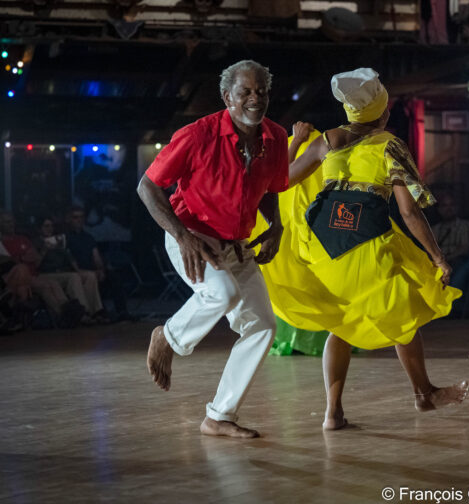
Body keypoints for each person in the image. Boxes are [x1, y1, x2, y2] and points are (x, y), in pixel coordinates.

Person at [281, 68, 468, 430]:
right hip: (364, 242)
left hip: (322, 248)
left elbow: (282, 180)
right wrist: (438, 256)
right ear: (382, 111)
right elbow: (409, 211)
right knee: (404, 312)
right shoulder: (389, 145)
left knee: (343, 321)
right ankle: (423, 394)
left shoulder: (327, 140)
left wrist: (295, 140)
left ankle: (333, 413)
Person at [137, 60, 288, 438]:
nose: (255, 99)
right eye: (245, 92)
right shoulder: (197, 135)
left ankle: (219, 416)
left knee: (263, 326)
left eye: (262, 92)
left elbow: (270, 190)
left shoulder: (276, 137)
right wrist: (182, 236)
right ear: (227, 97)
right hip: (191, 234)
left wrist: (277, 226)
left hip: (236, 242)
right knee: (221, 294)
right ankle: (167, 337)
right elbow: (147, 187)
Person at [249, 123, 330, 356]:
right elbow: (279, 179)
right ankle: (308, 339)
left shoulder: (318, 150)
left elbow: (279, 178)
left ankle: (306, 339)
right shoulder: (272, 153)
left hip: (303, 226)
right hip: (291, 226)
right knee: (297, 278)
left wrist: (297, 141)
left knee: (304, 280)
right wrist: (296, 141)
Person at [65, 206, 133, 321]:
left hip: (92, 270)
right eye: (75, 217)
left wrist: (101, 269)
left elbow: (96, 255)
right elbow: (68, 258)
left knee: (113, 277)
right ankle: (97, 311)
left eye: (81, 217)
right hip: (78, 271)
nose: (79, 220)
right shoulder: (66, 238)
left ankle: (121, 312)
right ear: (69, 219)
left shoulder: (88, 237)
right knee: (91, 278)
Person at [35, 217, 107, 324]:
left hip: (63, 272)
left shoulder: (59, 241)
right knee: (73, 277)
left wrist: (79, 270)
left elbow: (70, 258)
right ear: (39, 228)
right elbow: (35, 265)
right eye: (46, 226)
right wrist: (45, 250)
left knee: (89, 276)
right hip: (46, 274)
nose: (50, 228)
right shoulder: (36, 242)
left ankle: (95, 311)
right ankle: (83, 311)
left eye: (51, 226)